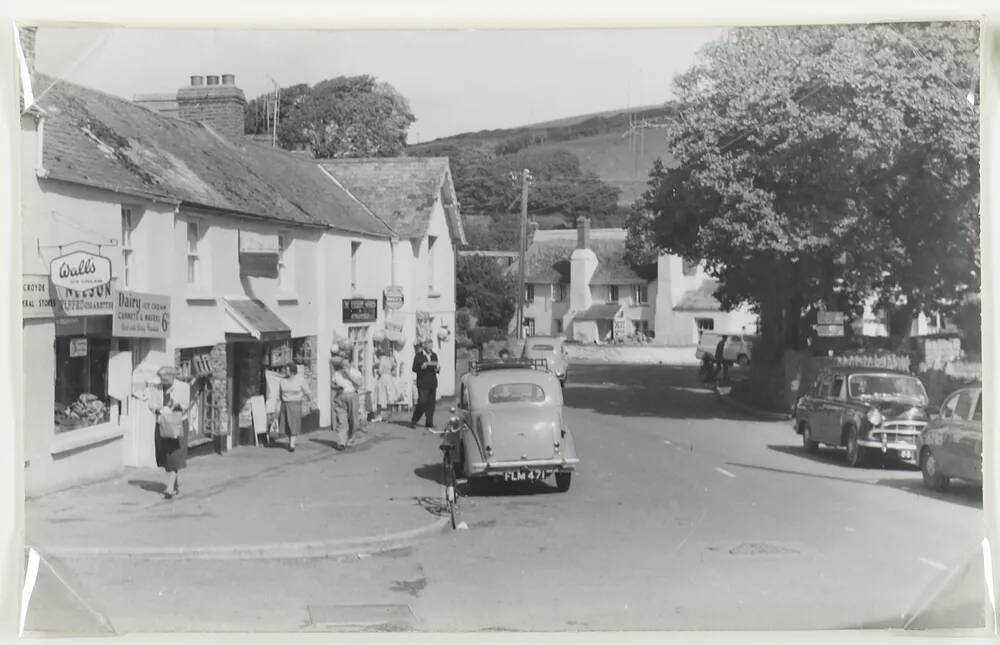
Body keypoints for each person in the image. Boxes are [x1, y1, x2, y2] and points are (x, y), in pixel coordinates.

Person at [147, 366, 191, 499]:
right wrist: (158, 410)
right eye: (161, 379)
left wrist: (172, 406)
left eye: (166, 379)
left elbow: (184, 405)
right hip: (162, 423)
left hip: (177, 424)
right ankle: (175, 484)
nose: (163, 381)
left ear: (173, 376)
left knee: (175, 454)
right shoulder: (156, 387)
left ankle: (170, 487)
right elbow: (151, 404)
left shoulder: (183, 386)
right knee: (165, 455)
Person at [278, 363, 312, 452]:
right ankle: (290, 442)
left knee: (293, 424)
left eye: (287, 370)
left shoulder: (300, 379)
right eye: (285, 369)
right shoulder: (282, 381)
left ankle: (292, 445)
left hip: (295, 404)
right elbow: (280, 394)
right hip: (285, 404)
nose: (285, 371)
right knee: (287, 425)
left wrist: (310, 402)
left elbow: (307, 391)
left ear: (292, 371)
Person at [411, 340, 440, 429]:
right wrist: (421, 367)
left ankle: (429, 423)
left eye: (432, 346)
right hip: (422, 382)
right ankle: (415, 419)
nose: (431, 348)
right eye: (429, 346)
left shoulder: (434, 355)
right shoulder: (419, 355)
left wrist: (438, 369)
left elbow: (437, 367)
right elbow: (414, 368)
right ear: (425, 346)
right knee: (422, 402)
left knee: (431, 404)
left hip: (432, 382)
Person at [331, 355, 357, 450]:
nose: (344, 367)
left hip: (352, 396)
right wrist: (336, 387)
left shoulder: (355, 372)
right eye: (343, 365)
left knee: (353, 420)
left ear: (350, 364)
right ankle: (341, 442)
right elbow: (332, 385)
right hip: (340, 397)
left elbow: (359, 383)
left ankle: (350, 439)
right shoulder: (337, 374)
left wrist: (349, 375)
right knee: (341, 420)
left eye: (346, 364)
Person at [373, 344, 398, 422]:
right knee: (389, 396)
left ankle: (379, 415)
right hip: (389, 378)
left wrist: (377, 370)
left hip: (383, 378)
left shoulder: (382, 359)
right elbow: (395, 366)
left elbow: (380, 371)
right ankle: (389, 417)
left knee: (380, 395)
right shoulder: (391, 359)